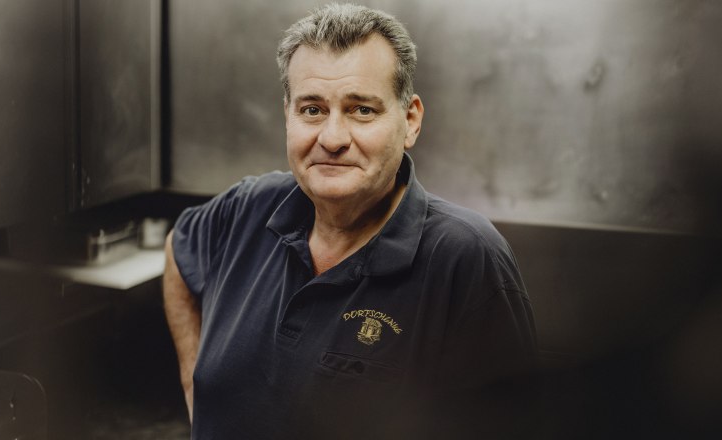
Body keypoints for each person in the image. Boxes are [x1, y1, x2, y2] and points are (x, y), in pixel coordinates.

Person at [163, 3, 536, 438]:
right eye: (312, 109)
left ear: (410, 120)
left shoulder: (465, 257)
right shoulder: (249, 205)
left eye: (362, 110)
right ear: (288, 114)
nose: (333, 138)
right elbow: (179, 246)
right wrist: (194, 388)